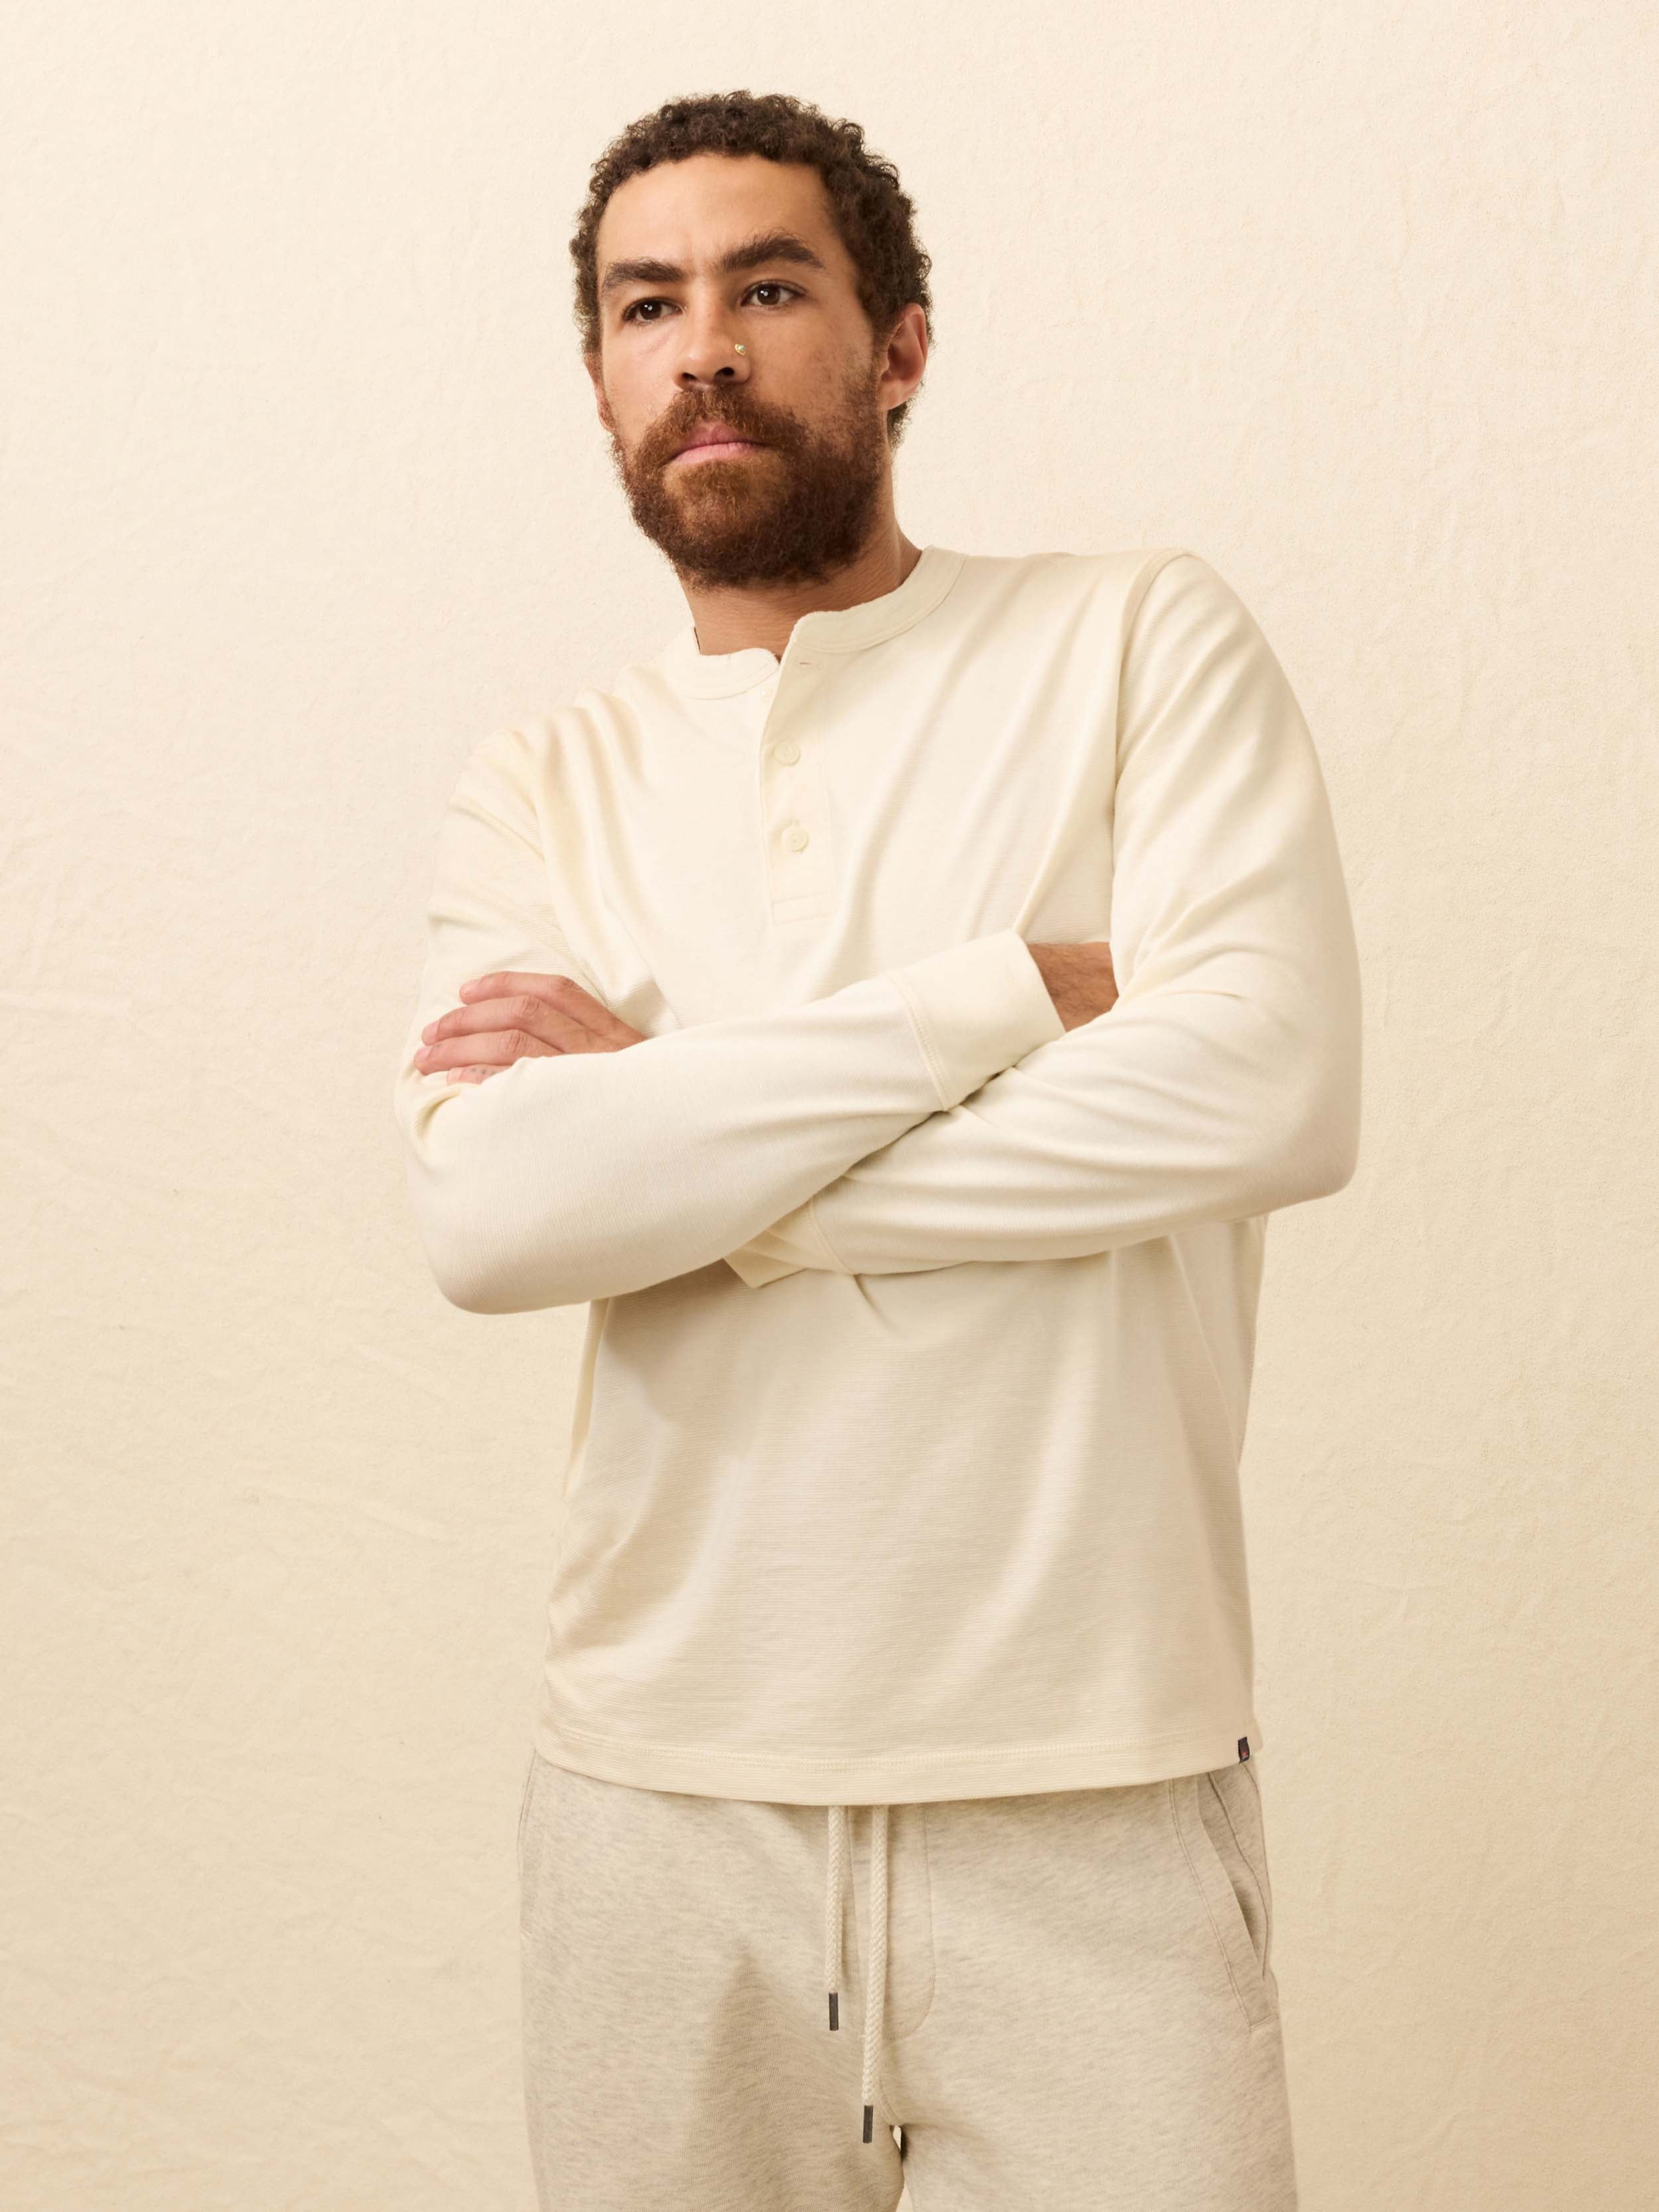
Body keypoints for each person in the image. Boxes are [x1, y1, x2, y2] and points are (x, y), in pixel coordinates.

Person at [392, 86, 1362, 2212]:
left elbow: (1266, 1081)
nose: (703, 346)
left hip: (1090, 1779)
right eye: (647, 305)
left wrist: (685, 1150)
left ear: (897, 343)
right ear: (599, 382)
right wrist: (994, 999)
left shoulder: (1129, 640)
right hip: (658, 1803)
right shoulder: (544, 778)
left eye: (768, 286)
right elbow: (491, 1212)